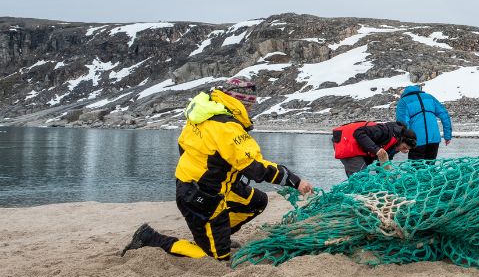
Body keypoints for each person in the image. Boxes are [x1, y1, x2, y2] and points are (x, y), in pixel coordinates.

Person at [121, 77, 314, 260]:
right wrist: (295, 181)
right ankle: (149, 238)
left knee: (257, 201)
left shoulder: (203, 112)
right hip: (201, 196)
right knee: (215, 258)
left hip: (200, 184)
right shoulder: (227, 127)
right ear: (242, 103)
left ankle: (217, 234)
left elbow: (183, 146)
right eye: (250, 105)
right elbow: (255, 168)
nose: (251, 108)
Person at [332, 120, 417, 176]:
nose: (403, 151)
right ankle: (359, 199)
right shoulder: (385, 131)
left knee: (365, 173)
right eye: (404, 147)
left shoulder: (395, 146)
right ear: (401, 139)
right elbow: (359, 133)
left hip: (361, 147)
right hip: (346, 140)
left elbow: (382, 165)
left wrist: (385, 177)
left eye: (406, 150)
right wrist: (376, 150)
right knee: (360, 175)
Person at [395, 85, 453, 160]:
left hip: (416, 141)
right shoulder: (429, 97)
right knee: (430, 168)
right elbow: (444, 115)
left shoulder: (403, 102)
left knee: (416, 169)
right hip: (434, 139)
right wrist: (447, 135)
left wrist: (403, 142)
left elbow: (403, 124)